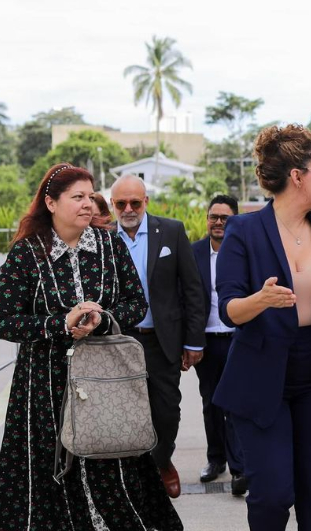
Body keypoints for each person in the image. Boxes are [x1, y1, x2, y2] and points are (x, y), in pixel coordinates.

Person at [0, 163, 183, 530]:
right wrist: (60, 323)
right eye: (77, 197)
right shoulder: (27, 253)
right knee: (48, 479)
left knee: (113, 463)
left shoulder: (110, 245)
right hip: (44, 389)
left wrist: (102, 319)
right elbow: (3, 321)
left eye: (89, 197)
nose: (87, 205)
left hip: (108, 382)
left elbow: (135, 303)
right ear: (50, 202)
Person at [213, 124, 311, 530]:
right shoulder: (243, 231)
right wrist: (260, 300)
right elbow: (229, 309)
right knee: (272, 495)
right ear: (297, 176)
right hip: (262, 378)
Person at [110, 174, 207, 499]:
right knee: (124, 413)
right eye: (120, 203)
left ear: (146, 201)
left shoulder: (171, 231)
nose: (127, 209)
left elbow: (193, 288)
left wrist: (194, 341)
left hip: (162, 340)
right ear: (112, 204)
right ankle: (135, 476)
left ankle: (163, 461)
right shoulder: (101, 237)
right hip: (118, 342)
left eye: (134, 202)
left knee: (166, 412)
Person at [191, 194, 246, 495]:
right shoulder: (194, 253)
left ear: (235, 220)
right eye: (214, 216)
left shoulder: (244, 252)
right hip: (207, 341)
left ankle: (240, 468)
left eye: (224, 217)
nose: (218, 222)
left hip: (239, 339)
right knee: (211, 402)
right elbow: (186, 298)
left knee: (235, 403)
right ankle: (216, 460)